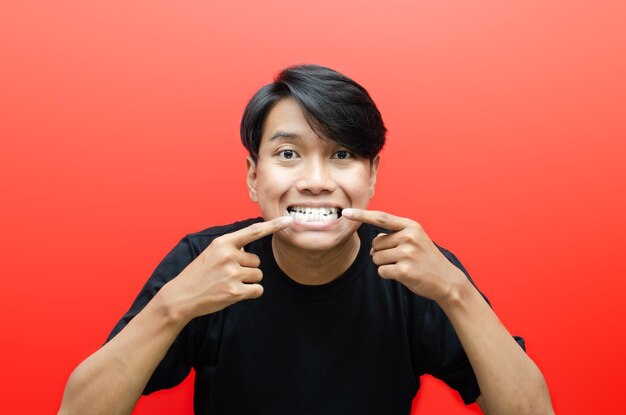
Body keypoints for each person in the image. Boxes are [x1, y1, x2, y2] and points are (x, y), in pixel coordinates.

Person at [59, 64, 553, 414]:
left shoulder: (414, 269)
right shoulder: (206, 260)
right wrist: (174, 306)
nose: (316, 180)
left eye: (341, 155)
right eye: (289, 154)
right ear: (253, 175)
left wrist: (457, 293)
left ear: (373, 173)